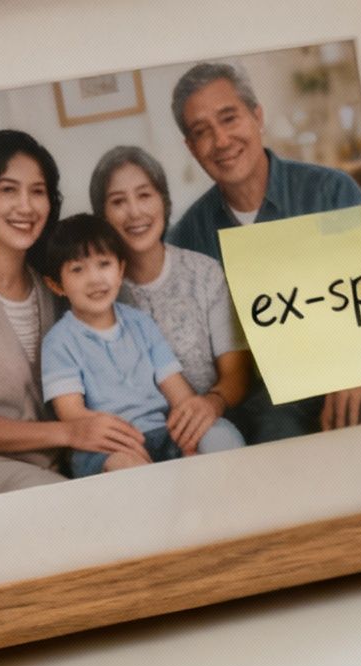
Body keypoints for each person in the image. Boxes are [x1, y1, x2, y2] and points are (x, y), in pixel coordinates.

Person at [163, 60, 361, 438]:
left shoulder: (330, 192)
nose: (221, 141)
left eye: (229, 118)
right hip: (262, 402)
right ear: (191, 148)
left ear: (257, 117)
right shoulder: (188, 238)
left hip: (350, 373)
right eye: (202, 132)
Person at [0, 130, 144, 501]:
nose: (25, 206)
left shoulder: (53, 284)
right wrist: (70, 433)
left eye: (37, 191)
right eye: (8, 190)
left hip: (63, 457)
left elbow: (118, 314)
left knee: (143, 479)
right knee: (78, 505)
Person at [35, 214, 243, 478]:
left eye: (104, 264)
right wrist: (122, 442)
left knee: (220, 434)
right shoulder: (59, 341)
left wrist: (190, 427)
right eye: (78, 269)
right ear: (56, 285)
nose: (95, 279)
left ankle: (227, 506)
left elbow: (179, 393)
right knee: (128, 469)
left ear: (121, 270)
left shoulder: (140, 323)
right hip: (106, 446)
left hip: (162, 432)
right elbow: (72, 414)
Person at [90, 145, 262, 445]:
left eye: (145, 195)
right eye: (118, 201)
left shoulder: (204, 273)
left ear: (164, 201)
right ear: (102, 215)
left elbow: (236, 372)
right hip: (136, 435)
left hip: (209, 423)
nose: (134, 212)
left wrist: (210, 404)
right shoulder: (97, 290)